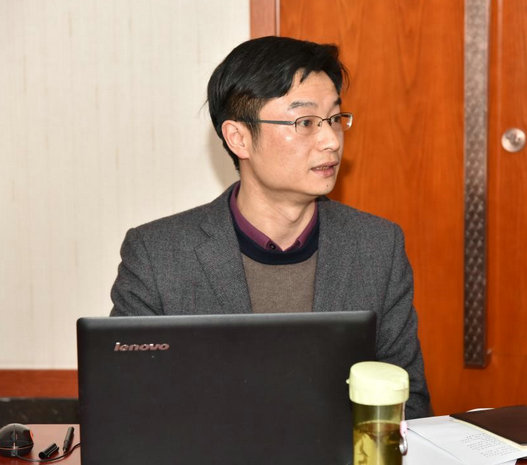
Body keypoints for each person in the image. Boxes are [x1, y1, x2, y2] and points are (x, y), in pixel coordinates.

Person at [109, 36, 431, 419]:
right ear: (239, 138)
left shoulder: (377, 246)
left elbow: (408, 406)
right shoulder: (157, 256)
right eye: (306, 122)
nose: (331, 140)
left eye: (334, 119)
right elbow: (126, 410)